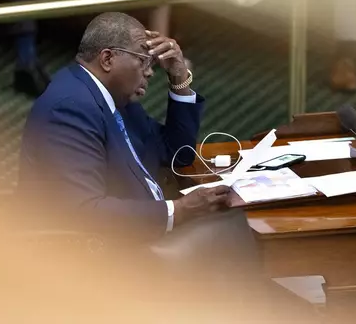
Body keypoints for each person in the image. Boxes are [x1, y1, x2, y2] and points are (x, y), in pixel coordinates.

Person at [16, 12, 231, 241]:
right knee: (232, 238)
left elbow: (177, 153)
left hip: (143, 226)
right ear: (108, 59)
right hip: (103, 256)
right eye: (142, 60)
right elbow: (85, 212)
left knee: (233, 225)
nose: (150, 71)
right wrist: (180, 211)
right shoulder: (68, 110)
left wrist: (179, 77)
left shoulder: (113, 97)